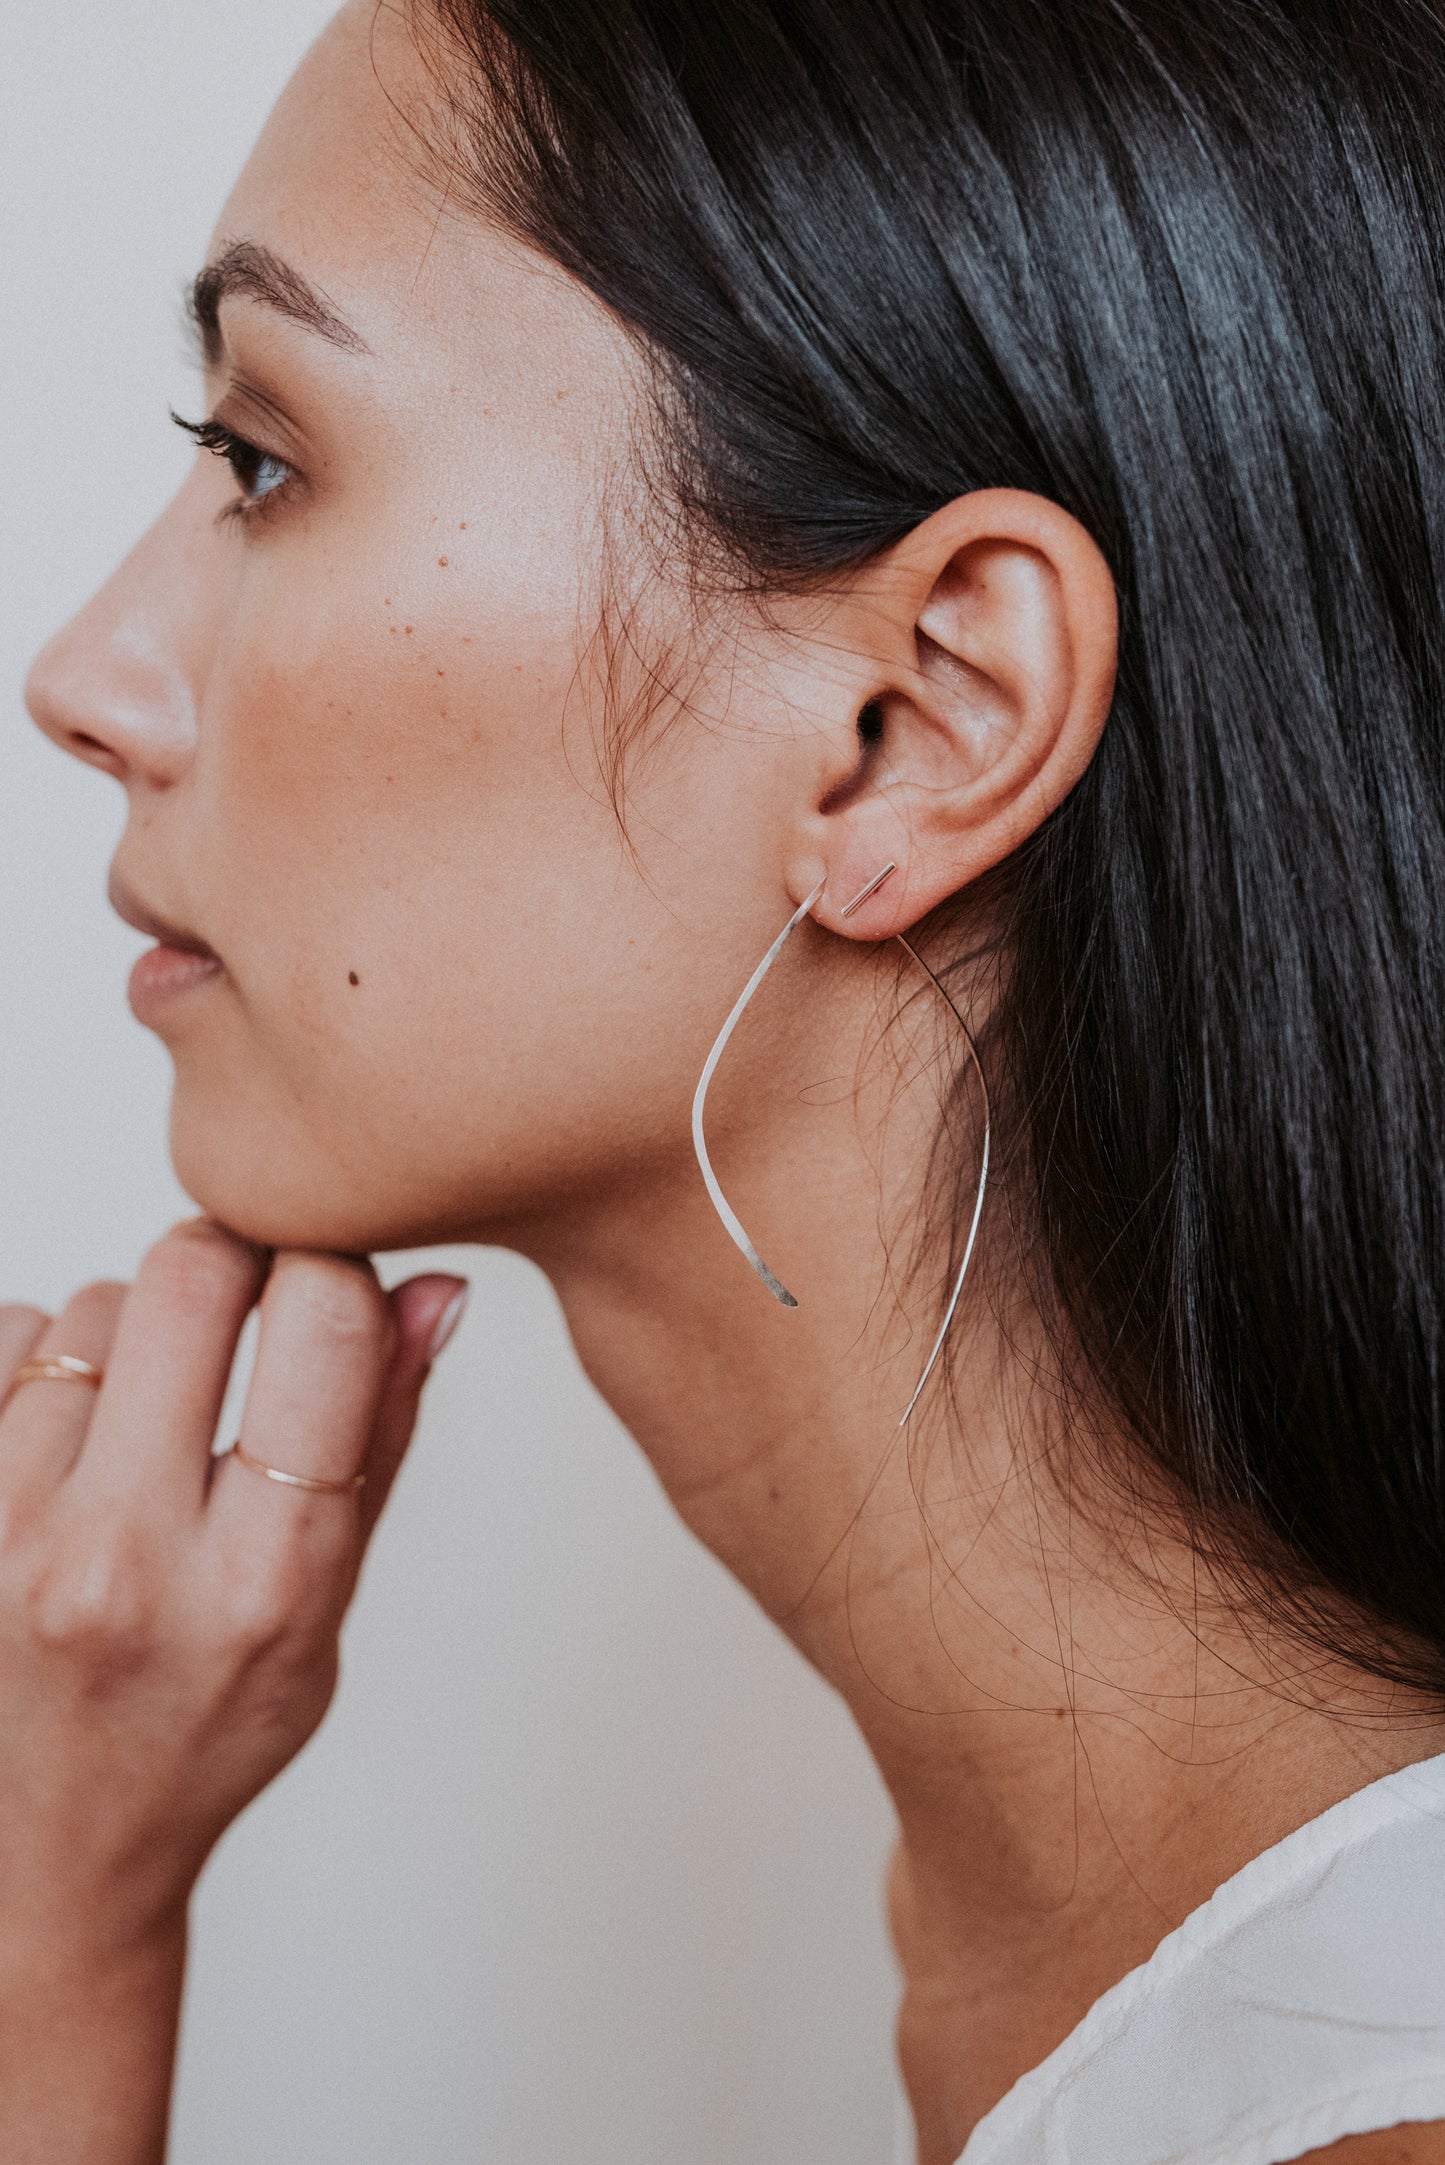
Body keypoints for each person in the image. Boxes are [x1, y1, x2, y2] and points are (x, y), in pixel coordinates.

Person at [12, 0, 1445, 2158]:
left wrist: (46, 1941)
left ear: (917, 724)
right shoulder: (1024, 1931)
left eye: (264, 461)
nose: (84, 682)